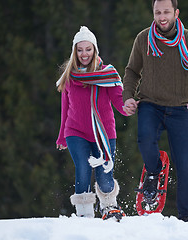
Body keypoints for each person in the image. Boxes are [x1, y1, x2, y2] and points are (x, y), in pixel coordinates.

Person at [122, 0, 188, 221]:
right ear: (153, 13)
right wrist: (128, 97)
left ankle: (186, 217)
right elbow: (132, 71)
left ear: (176, 13)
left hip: (181, 108)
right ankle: (154, 172)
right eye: (157, 12)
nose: (162, 17)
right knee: (145, 139)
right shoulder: (143, 39)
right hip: (150, 104)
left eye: (166, 12)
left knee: (186, 167)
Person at [56, 26, 127, 220]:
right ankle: (84, 215)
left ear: (94, 50)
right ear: (74, 52)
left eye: (88, 49)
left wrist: (129, 106)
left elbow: (119, 102)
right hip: (75, 131)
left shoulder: (106, 74)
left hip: (103, 132)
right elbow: (65, 109)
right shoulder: (69, 77)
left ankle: (109, 204)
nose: (84, 54)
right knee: (83, 168)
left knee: (104, 176)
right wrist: (62, 135)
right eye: (80, 50)